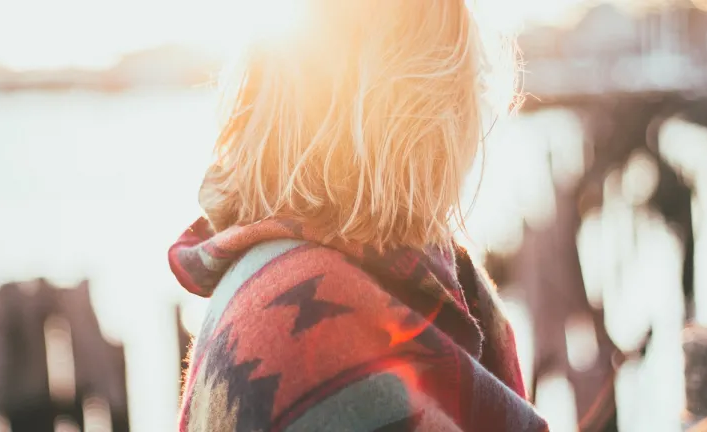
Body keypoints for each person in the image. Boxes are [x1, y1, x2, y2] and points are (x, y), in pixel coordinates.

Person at [169, 1, 548, 430]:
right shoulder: (321, 334)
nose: (480, 105)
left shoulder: (262, 276)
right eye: (469, 78)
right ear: (427, 110)